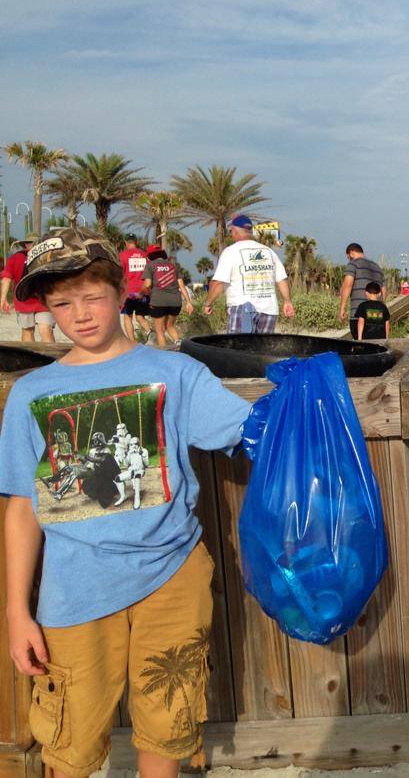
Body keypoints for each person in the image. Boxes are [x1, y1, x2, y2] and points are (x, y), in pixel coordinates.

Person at [0, 227, 251, 778]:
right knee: (69, 734)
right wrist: (17, 611)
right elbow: (22, 508)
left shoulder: (176, 372)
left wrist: (305, 402)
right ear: (45, 307)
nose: (80, 314)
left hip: (173, 579)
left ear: (121, 292)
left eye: (93, 296)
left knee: (169, 719)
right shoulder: (30, 394)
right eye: (62, 303)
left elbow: (253, 432)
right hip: (74, 593)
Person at [204, 214, 295, 333]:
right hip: (269, 310)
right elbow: (282, 279)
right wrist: (287, 302)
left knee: (239, 347)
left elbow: (219, 283)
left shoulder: (230, 252)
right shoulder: (269, 251)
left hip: (242, 308)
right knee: (261, 349)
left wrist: (208, 303)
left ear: (235, 231)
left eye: (231, 231)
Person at [1, 234, 56, 343]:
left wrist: (3, 300)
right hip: (38, 300)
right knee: (44, 330)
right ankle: (47, 358)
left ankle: (37, 358)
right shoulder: (48, 256)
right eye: (29, 242)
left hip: (30, 300)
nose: (30, 244)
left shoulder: (15, 258)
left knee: (32, 331)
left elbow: (6, 278)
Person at [141, 244, 194, 347]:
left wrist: (140, 293)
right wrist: (188, 303)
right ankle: (179, 345)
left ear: (150, 256)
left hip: (158, 301)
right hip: (175, 302)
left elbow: (147, 284)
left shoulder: (150, 265)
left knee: (160, 331)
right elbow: (182, 286)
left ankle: (164, 354)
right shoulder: (173, 265)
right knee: (170, 326)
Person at [338, 242, 384, 339]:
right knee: (376, 345)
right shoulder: (377, 267)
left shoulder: (353, 264)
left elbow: (347, 285)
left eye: (348, 257)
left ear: (351, 253)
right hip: (378, 315)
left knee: (361, 345)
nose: (348, 259)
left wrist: (342, 307)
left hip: (359, 314)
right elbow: (384, 290)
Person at [118, 234, 151, 341]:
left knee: (128, 317)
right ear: (136, 242)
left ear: (126, 242)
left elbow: (119, 273)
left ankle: (132, 343)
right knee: (140, 316)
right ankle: (150, 333)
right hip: (143, 291)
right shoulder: (145, 255)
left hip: (129, 293)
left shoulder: (123, 255)